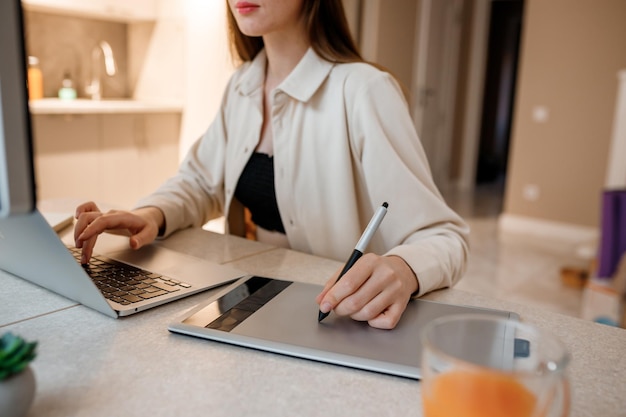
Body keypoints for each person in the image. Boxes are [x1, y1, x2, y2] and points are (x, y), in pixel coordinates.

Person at [74, 0, 469, 330]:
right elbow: (200, 183)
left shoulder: (364, 91)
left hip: (339, 319)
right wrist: (150, 213)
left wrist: (403, 268)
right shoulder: (242, 84)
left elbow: (444, 237)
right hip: (258, 302)